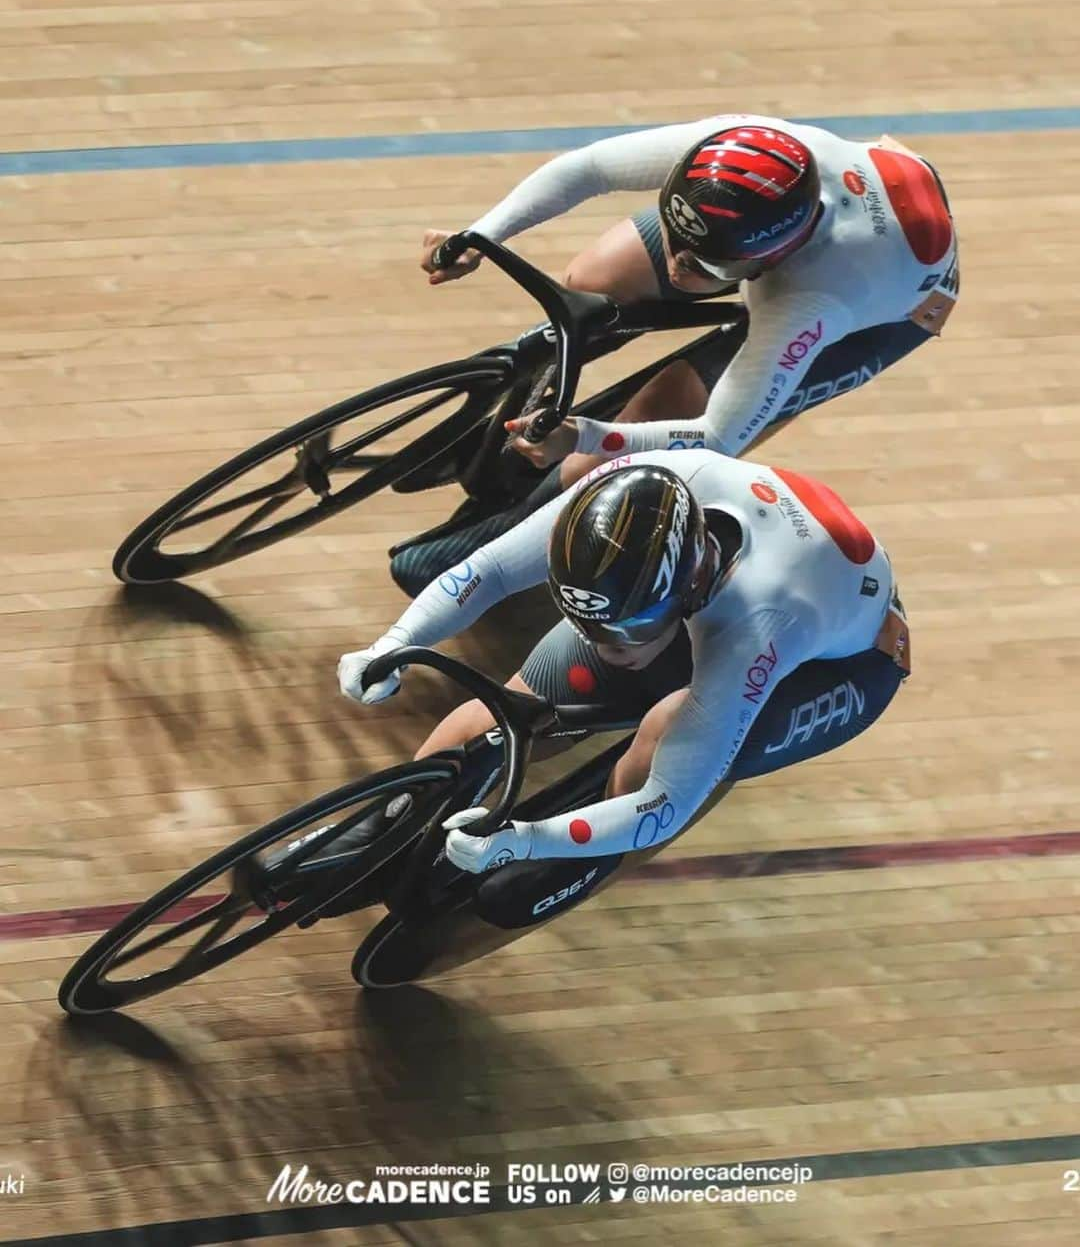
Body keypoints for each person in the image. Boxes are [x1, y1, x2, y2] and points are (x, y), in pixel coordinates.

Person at [391, 113, 958, 594]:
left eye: (703, 268)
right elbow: (586, 168)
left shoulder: (813, 300)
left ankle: (479, 549)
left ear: (767, 263)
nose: (677, 267)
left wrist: (588, 437)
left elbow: (715, 437)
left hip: (886, 306)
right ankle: (522, 408)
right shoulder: (735, 146)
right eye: (672, 237)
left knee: (651, 421)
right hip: (780, 220)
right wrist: (479, 236)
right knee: (591, 278)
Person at [337, 451, 911, 878]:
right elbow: (488, 570)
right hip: (712, 599)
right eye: (592, 625)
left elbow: (663, 805)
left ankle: (582, 867)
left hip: (841, 662)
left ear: (683, 590)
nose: (609, 646)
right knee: (505, 714)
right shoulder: (619, 500)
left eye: (626, 631)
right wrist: (392, 643)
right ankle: (391, 818)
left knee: (665, 732)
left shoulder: (763, 625)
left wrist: (530, 840)